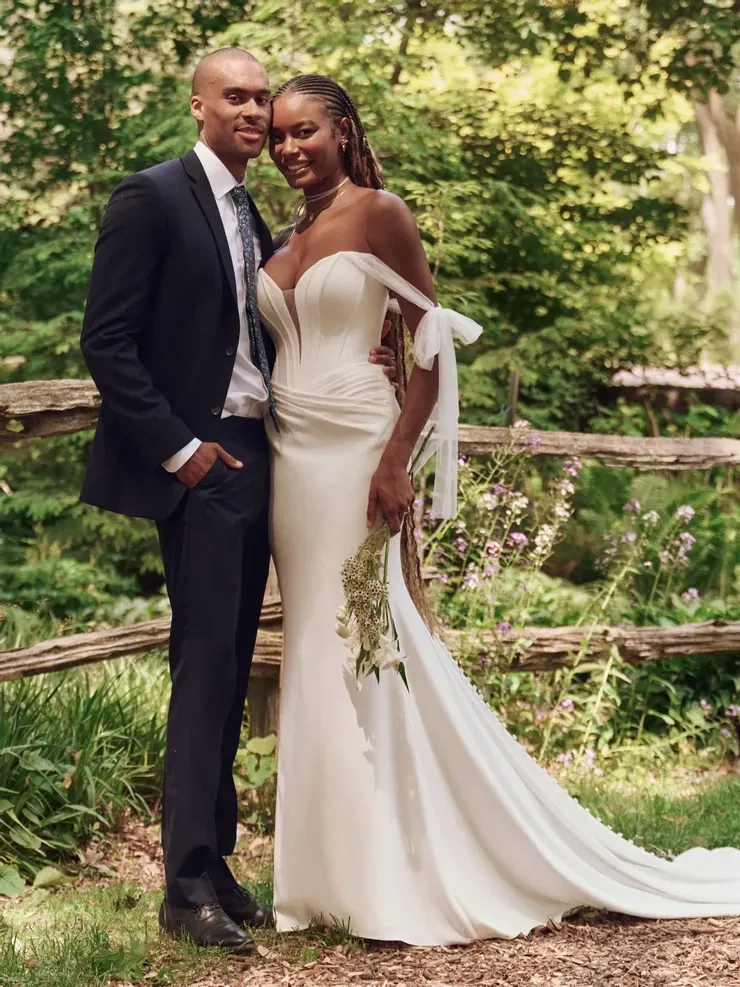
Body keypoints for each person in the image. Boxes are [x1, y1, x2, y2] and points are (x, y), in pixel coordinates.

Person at [259, 73, 740, 945]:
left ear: (342, 130)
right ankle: (319, 876)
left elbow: (432, 345)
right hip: (291, 459)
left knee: (369, 643)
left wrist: (399, 458)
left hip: (359, 455)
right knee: (312, 649)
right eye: (279, 136)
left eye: (305, 133)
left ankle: (392, 867)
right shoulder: (284, 231)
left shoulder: (380, 212)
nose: (288, 148)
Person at [78, 49, 397, 955]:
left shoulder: (258, 209)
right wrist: (183, 453)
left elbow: (268, 326)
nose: (255, 112)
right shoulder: (152, 197)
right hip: (205, 460)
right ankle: (183, 888)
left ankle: (215, 867)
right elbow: (107, 341)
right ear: (199, 104)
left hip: (277, 454)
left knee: (229, 665)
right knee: (206, 666)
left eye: (265, 98)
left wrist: (365, 350)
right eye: (239, 97)